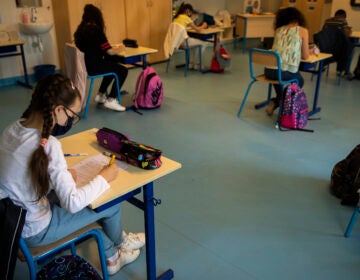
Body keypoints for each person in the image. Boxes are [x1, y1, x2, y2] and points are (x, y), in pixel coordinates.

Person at [0, 74, 145, 276]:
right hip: (36, 230)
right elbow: (73, 203)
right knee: (109, 204)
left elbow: (19, 177)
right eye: (72, 116)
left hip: (14, 222)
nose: (71, 121)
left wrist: (54, 179)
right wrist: (105, 176)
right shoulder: (50, 145)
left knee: (87, 203)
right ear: (58, 110)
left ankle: (112, 254)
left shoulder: (12, 129)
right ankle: (120, 247)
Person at [74, 4, 128, 112]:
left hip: (85, 66)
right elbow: (110, 51)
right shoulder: (96, 30)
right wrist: (121, 48)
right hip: (94, 66)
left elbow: (94, 47)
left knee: (111, 63)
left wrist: (108, 48)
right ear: (97, 17)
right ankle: (112, 99)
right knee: (122, 70)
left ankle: (100, 94)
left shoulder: (80, 30)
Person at [264, 7, 310, 116]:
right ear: (298, 18)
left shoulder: (278, 30)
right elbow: (306, 56)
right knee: (299, 80)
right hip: (283, 72)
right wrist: (310, 51)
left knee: (278, 76)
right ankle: (284, 101)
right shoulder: (302, 31)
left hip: (269, 71)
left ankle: (278, 100)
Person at [173, 2, 211, 68]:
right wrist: (203, 26)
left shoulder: (176, 18)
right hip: (184, 42)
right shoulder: (186, 18)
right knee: (203, 44)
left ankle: (190, 63)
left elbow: (183, 27)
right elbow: (198, 29)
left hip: (177, 42)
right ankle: (198, 64)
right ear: (188, 11)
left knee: (193, 44)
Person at [322, 9, 354, 79]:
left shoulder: (327, 21)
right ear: (343, 16)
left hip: (326, 48)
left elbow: (322, 33)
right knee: (350, 48)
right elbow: (347, 34)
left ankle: (323, 65)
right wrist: (349, 30)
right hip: (338, 50)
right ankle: (344, 71)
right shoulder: (343, 21)